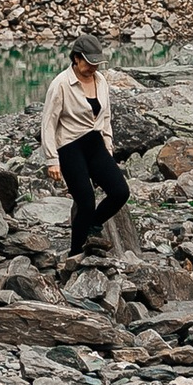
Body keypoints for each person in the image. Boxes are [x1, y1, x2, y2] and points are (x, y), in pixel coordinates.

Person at [39, 36, 130, 256]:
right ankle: (75, 254)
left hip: (95, 143)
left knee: (120, 191)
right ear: (76, 58)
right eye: (89, 63)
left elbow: (105, 117)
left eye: (96, 63)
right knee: (86, 202)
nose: (93, 68)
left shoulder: (101, 81)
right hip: (70, 146)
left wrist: (108, 148)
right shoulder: (61, 84)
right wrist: (52, 160)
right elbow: (48, 123)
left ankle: (93, 225)